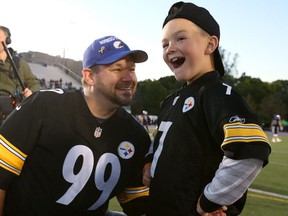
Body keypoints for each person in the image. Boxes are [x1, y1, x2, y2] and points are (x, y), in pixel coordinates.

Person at [143, 2, 271, 216]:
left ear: (210, 45)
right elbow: (161, 141)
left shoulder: (216, 93)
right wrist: (149, 162)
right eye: (164, 44)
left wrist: (211, 200)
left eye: (180, 38)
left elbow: (250, 149)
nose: (170, 48)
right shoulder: (171, 100)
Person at [0, 35, 151, 216]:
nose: (128, 77)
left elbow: (139, 206)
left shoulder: (136, 135)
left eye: (132, 69)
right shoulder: (44, 107)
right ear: (89, 76)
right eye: (117, 69)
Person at [0, 26, 40, 123]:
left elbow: (34, 83)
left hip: (11, 111)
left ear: (7, 40)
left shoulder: (20, 63)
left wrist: (31, 92)